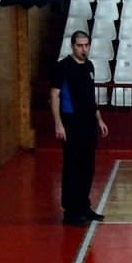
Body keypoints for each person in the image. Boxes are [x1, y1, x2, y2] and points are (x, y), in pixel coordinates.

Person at [50, 31, 109, 227]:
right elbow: (54, 96)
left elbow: (90, 96)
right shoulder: (63, 67)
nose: (83, 49)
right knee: (73, 167)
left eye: (86, 45)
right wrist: (58, 123)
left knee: (87, 166)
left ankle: (84, 206)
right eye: (79, 45)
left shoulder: (89, 66)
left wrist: (99, 119)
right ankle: (70, 211)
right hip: (71, 123)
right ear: (72, 46)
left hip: (88, 123)